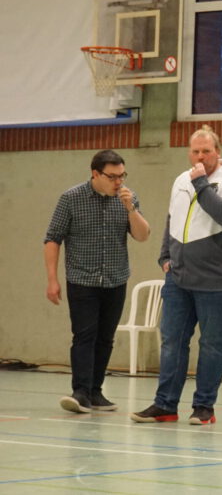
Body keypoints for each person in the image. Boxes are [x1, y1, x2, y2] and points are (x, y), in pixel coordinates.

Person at [131, 125, 222, 425]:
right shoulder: (181, 180)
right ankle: (165, 405)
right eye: (195, 151)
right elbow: (173, 219)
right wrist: (165, 256)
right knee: (172, 341)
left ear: (217, 152)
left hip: (218, 278)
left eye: (206, 151)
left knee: (211, 343)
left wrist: (201, 184)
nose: (200, 156)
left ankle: (204, 407)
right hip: (179, 277)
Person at [44, 149, 151, 413]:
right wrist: (52, 280)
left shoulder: (129, 198)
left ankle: (96, 391)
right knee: (84, 335)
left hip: (116, 279)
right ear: (95, 174)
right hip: (82, 279)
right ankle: (80, 392)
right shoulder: (71, 198)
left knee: (105, 338)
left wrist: (130, 208)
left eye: (122, 175)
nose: (118, 182)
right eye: (112, 176)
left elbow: (142, 235)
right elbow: (53, 238)